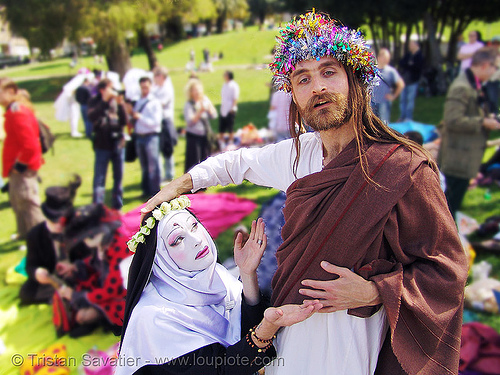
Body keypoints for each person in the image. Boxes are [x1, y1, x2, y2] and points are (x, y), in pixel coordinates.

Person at [142, 11, 468, 375]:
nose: (318, 88)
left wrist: (375, 292)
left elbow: (447, 269)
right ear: (293, 97)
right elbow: (234, 164)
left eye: (329, 72)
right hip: (287, 334)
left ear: (354, 80)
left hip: (352, 344)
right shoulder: (297, 155)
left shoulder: (402, 167)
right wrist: (178, 185)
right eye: (303, 79)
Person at [118, 196, 321, 374]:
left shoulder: (215, 277)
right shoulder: (153, 317)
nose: (196, 240)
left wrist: (247, 273)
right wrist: (267, 328)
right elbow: (221, 369)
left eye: (194, 226)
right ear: (161, 259)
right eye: (178, 239)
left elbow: (243, 333)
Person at [438, 47, 500, 220]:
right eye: (495, 68)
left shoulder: (474, 84)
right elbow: (452, 120)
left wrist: (490, 118)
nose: (495, 72)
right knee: (447, 209)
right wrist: (483, 122)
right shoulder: (462, 87)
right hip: (457, 159)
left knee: (451, 207)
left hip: (464, 157)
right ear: (485, 65)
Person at [60, 203, 131, 337]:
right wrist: (76, 266)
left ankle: (104, 319)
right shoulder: (105, 241)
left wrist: (77, 296)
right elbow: (96, 262)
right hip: (107, 287)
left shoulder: (121, 246)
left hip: (124, 299)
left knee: (82, 316)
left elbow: (112, 289)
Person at [19, 176, 91, 305]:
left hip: (77, 275)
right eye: (54, 220)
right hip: (52, 280)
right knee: (26, 293)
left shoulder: (78, 229)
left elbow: (91, 259)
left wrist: (74, 266)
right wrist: (37, 273)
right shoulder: (35, 235)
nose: (58, 225)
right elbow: (30, 265)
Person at [0, 78, 44, 240]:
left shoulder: (18, 112)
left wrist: (19, 166)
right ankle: (25, 234)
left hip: (23, 168)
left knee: (28, 202)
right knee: (18, 202)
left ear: (11, 91)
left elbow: (30, 145)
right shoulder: (12, 110)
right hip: (16, 167)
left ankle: (38, 238)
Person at [87, 78, 127, 210]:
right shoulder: (95, 101)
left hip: (118, 144)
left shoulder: (116, 101)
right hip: (102, 145)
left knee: (118, 177)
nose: (113, 91)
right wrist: (104, 101)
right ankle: (97, 208)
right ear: (102, 90)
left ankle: (117, 206)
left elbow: (124, 121)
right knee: (100, 178)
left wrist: (121, 105)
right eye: (110, 88)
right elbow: (92, 117)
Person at [133, 77, 163, 198]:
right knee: (144, 166)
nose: (144, 89)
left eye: (146, 87)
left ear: (151, 86)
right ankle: (146, 191)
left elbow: (155, 122)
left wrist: (140, 117)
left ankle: (155, 192)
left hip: (151, 136)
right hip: (139, 137)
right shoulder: (139, 101)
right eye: (142, 87)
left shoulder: (155, 102)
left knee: (153, 166)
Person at [183, 78, 217, 173]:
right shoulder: (189, 104)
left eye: (198, 89)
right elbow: (190, 122)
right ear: (191, 92)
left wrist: (209, 109)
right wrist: (200, 112)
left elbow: (213, 115)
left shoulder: (205, 99)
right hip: (194, 136)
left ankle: (204, 182)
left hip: (205, 135)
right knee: (194, 161)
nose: (197, 92)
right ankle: (192, 183)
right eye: (195, 90)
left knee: (205, 159)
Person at [152, 66, 178, 182]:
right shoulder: (156, 89)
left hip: (165, 121)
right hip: (156, 121)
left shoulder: (167, 89)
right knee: (158, 148)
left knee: (167, 148)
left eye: (156, 76)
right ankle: (161, 174)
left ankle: (169, 174)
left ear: (161, 76)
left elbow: (159, 104)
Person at [371, 48, 405, 124]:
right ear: (379, 57)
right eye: (385, 58)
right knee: (371, 124)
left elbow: (401, 84)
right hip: (371, 102)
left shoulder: (390, 71)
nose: (386, 60)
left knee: (384, 124)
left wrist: (393, 96)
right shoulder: (372, 70)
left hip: (384, 102)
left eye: (387, 58)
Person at [398, 41, 424, 121]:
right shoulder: (408, 55)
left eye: (411, 45)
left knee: (410, 100)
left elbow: (418, 67)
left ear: (416, 45)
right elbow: (401, 63)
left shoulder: (419, 56)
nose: (410, 47)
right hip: (404, 81)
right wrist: (409, 64)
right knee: (403, 100)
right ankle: (402, 116)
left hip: (413, 81)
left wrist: (409, 65)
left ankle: (408, 117)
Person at [219, 70, 240, 146]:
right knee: (222, 126)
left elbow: (235, 98)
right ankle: (221, 141)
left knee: (230, 126)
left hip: (230, 108)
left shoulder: (233, 85)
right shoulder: (225, 85)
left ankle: (231, 141)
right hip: (224, 108)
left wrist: (233, 107)